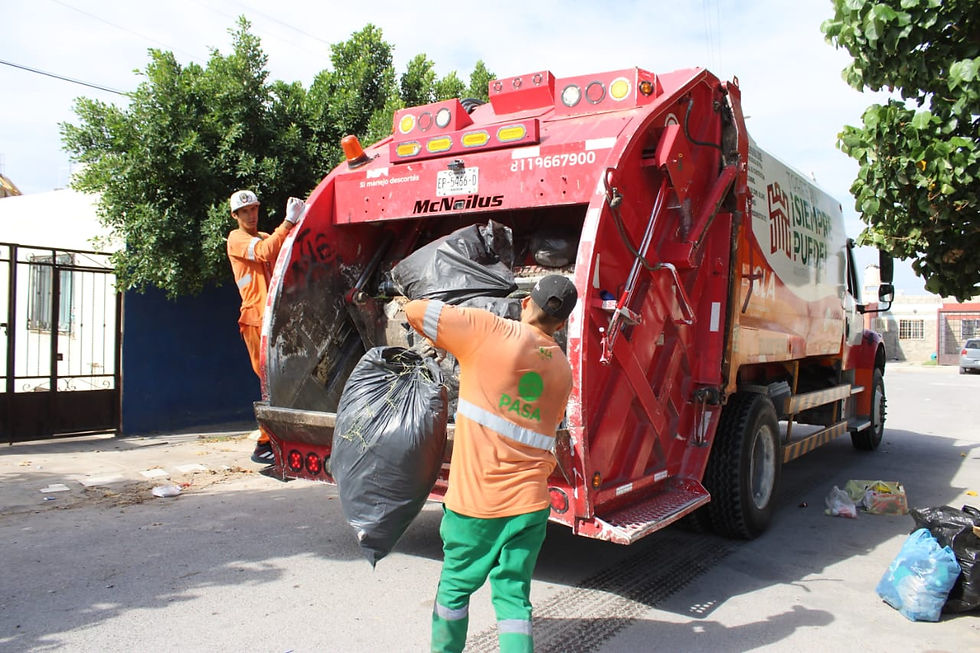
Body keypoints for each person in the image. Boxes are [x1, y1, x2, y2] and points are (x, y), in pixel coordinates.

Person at [404, 274, 578, 653]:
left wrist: (470, 316)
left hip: (477, 504)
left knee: (453, 591)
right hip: (530, 505)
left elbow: (415, 311)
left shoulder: (488, 330)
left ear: (525, 303)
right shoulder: (563, 370)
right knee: (514, 601)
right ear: (562, 323)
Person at [226, 189, 305, 464]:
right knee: (268, 382)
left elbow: (279, 244)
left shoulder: (261, 236)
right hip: (256, 318)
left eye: (254, 209)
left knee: (278, 380)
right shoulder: (236, 239)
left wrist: (299, 223)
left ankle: (272, 440)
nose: (251, 214)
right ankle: (264, 444)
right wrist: (288, 222)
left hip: (270, 317)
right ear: (236, 215)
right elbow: (265, 251)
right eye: (245, 211)